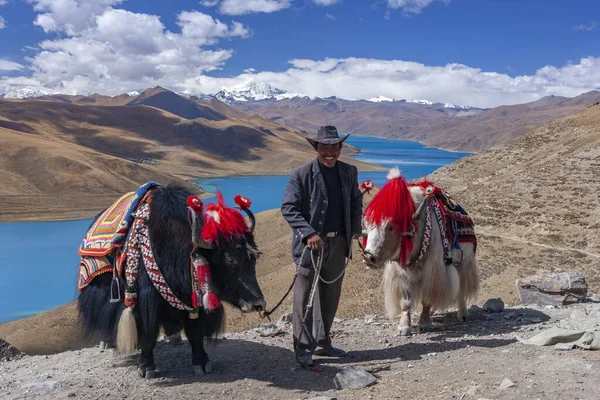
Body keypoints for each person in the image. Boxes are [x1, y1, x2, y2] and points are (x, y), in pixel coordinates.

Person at [281, 125, 363, 368]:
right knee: (304, 298)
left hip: (338, 243)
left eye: (334, 147)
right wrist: (309, 233)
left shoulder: (349, 171)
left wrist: (355, 227)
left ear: (340, 148)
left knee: (330, 296)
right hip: (311, 246)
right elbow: (289, 208)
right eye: (324, 147)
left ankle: (323, 343)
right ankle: (303, 349)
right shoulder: (301, 174)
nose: (330, 152)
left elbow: (356, 200)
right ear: (316, 148)